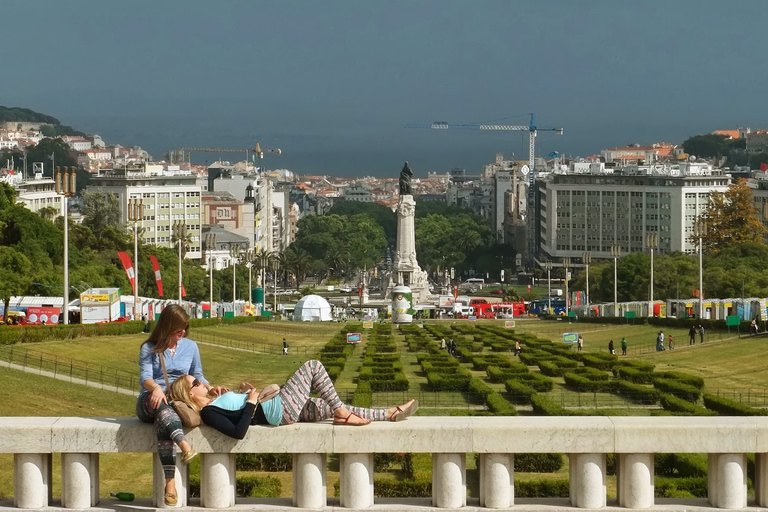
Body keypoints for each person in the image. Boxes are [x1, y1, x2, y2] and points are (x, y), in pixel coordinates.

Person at [168, 360, 418, 439]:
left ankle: (389, 413)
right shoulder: (209, 414)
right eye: (196, 383)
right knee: (313, 366)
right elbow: (238, 431)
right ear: (190, 394)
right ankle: (342, 414)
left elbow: (239, 409)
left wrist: (242, 391)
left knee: (326, 405)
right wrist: (252, 401)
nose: (202, 382)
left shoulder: (215, 403)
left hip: (279, 406)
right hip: (281, 410)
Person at [137, 305, 229, 506]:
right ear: (168, 326)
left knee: (166, 418)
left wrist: (211, 388)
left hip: (177, 401)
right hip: (151, 400)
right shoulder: (149, 348)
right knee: (163, 407)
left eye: (185, 329)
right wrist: (155, 388)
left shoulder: (190, 347)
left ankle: (170, 483)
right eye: (179, 329)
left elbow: (198, 375)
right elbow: (145, 377)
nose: (183, 333)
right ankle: (184, 446)